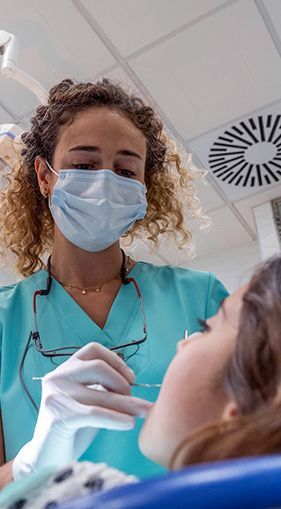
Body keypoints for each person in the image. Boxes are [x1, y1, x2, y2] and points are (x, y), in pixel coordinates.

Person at [0, 78, 228, 486]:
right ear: (44, 176)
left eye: (125, 170)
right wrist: (28, 464)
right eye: (84, 165)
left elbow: (258, 430)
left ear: (143, 187)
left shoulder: (201, 297)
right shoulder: (4, 318)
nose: (105, 183)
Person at [1, 255, 280, 509]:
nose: (184, 342)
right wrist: (28, 465)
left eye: (207, 328)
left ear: (241, 407)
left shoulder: (80, 491)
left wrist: (36, 480)